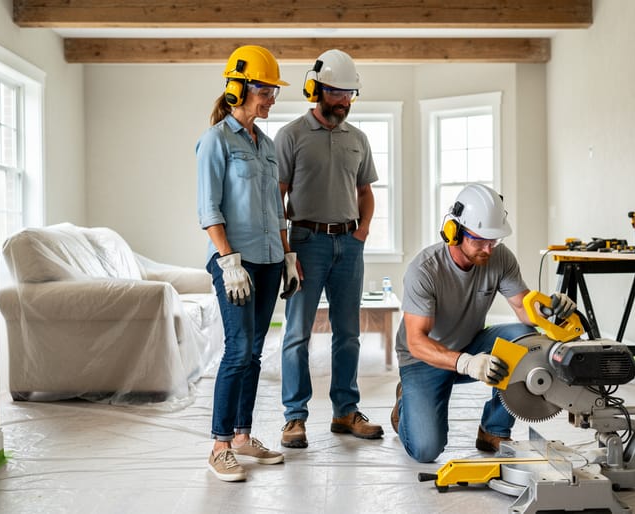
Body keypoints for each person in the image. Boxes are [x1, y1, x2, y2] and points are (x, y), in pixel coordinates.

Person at [390, 184, 576, 463]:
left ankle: (493, 429)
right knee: (426, 450)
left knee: (526, 339)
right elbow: (417, 341)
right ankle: (406, 403)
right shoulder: (425, 269)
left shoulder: (499, 258)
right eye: (480, 241)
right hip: (423, 359)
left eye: (494, 240)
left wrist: (551, 309)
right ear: (455, 233)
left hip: (471, 343)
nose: (489, 249)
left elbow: (524, 308)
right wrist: (466, 363)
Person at [196, 45, 300, 482]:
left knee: (256, 353)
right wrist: (228, 262)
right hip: (234, 264)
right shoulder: (215, 141)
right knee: (238, 350)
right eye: (264, 90)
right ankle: (219, 445)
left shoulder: (268, 144)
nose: (271, 99)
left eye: (273, 91)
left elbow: (276, 208)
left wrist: (288, 255)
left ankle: (242, 436)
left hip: (269, 260)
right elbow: (209, 208)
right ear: (237, 88)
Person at [275, 49, 383, 448]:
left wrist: (363, 231)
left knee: (348, 333)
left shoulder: (359, 139)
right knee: (297, 333)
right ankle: (294, 417)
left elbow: (365, 191)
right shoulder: (290, 136)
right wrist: (287, 251)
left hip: (349, 244)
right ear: (316, 89)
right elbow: (278, 196)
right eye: (336, 93)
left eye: (349, 93)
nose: (343, 101)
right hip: (306, 243)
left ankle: (345, 411)